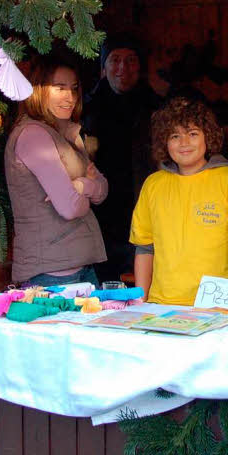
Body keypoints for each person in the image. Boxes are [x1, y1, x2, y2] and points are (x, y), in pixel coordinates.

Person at [130, 97, 228, 305]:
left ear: (207, 136)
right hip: (162, 305)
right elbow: (145, 248)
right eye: (175, 136)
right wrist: (140, 302)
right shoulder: (154, 184)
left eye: (192, 134)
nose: (184, 143)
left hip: (219, 305)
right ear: (165, 141)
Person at [4, 56, 108, 288]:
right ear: (39, 90)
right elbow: (71, 207)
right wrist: (84, 191)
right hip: (50, 273)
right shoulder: (34, 135)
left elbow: (102, 190)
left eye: (73, 89)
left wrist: (82, 185)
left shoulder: (68, 133)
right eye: (59, 88)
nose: (70, 97)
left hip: (80, 264)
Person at [83, 34, 161, 282]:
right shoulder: (86, 107)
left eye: (130, 60)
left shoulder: (154, 106)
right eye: (115, 60)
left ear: (140, 66)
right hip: (99, 209)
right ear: (104, 67)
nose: (122, 68)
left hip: (143, 200)